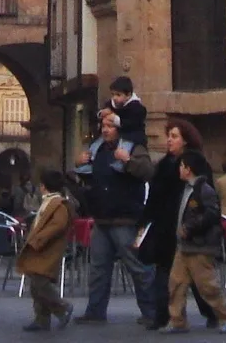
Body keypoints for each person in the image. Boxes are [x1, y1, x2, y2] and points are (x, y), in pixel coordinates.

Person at [74, 114, 156, 325]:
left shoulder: (133, 148)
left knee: (138, 268)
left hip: (125, 219)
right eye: (103, 125)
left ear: (119, 129)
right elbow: (88, 176)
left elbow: (147, 172)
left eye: (110, 126)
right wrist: (80, 164)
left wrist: (128, 161)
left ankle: (152, 312)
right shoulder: (97, 149)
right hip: (102, 219)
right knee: (98, 269)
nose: (105, 129)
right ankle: (95, 311)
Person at [137, 118, 217, 331]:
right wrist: (144, 221)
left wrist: (193, 224)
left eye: (174, 136)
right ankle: (165, 316)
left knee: (198, 280)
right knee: (166, 277)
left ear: (185, 140)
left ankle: (215, 313)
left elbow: (204, 198)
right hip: (165, 229)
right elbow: (154, 197)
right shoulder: (164, 165)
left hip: (188, 228)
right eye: (169, 136)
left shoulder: (197, 165)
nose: (169, 141)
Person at [163, 153, 226, 334]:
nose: (179, 169)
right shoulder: (186, 189)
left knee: (207, 286)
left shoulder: (204, 190)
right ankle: (177, 320)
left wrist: (190, 228)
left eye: (182, 166)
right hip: (184, 246)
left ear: (188, 169)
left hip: (199, 246)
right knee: (176, 284)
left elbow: (212, 214)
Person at [16, 169, 75, 332]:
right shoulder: (49, 201)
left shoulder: (58, 203)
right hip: (41, 247)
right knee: (36, 283)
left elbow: (58, 224)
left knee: (40, 282)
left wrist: (39, 239)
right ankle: (42, 318)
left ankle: (62, 307)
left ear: (43, 186)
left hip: (47, 248)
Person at [98, 76, 148, 147]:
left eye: (118, 95)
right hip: (115, 138)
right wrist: (101, 113)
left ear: (128, 95)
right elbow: (100, 113)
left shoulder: (137, 108)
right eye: (113, 94)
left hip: (132, 139)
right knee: (98, 144)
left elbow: (131, 124)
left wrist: (115, 119)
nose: (114, 98)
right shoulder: (111, 104)